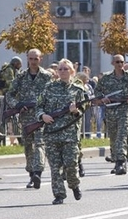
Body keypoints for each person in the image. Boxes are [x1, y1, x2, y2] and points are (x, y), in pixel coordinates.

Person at [35, 58, 87, 204]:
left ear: (72, 71)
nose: (63, 71)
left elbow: (84, 110)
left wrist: (75, 111)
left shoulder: (78, 90)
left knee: (71, 164)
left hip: (70, 135)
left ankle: (74, 184)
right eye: (60, 69)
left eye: (66, 69)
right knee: (55, 168)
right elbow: (39, 106)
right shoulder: (49, 88)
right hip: (51, 134)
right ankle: (59, 194)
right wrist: (42, 116)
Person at [4, 49, 52, 188]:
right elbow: (10, 95)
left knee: (39, 144)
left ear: (40, 59)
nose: (33, 62)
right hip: (26, 117)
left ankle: (38, 172)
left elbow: (52, 94)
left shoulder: (47, 76)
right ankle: (31, 173)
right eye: (31, 59)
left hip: (41, 116)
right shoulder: (20, 76)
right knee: (28, 147)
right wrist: (18, 105)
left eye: (35, 59)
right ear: (27, 59)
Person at [94, 54, 128, 175]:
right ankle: (116, 160)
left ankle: (121, 162)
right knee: (113, 137)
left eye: (122, 62)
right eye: (117, 62)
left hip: (124, 109)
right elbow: (97, 91)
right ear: (113, 63)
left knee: (122, 135)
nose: (120, 64)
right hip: (111, 110)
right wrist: (103, 99)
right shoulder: (106, 77)